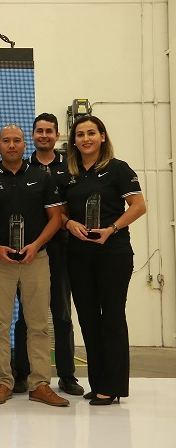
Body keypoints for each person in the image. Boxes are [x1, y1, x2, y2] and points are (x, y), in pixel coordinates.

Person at [0, 125, 69, 407]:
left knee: (38, 324)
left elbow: (56, 218)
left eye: (17, 140)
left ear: (25, 145)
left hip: (35, 259)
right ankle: (3, 382)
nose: (12, 145)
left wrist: (36, 245)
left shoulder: (42, 177)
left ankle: (40, 385)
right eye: (6, 141)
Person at [63, 115, 145, 405]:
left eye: (91, 133)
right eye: (80, 134)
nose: (85, 138)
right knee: (87, 318)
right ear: (74, 141)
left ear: (102, 136)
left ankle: (112, 386)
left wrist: (112, 229)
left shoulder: (118, 168)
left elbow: (138, 206)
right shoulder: (68, 174)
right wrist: (69, 223)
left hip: (113, 253)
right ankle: (98, 383)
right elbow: (60, 212)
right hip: (79, 255)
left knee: (112, 317)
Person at [13, 113, 84, 395]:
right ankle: (22, 373)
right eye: (39, 130)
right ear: (32, 135)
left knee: (62, 313)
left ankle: (67, 375)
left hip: (62, 247)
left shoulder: (71, 167)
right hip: (30, 248)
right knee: (25, 314)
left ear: (57, 135)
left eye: (49, 131)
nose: (44, 135)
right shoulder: (23, 167)